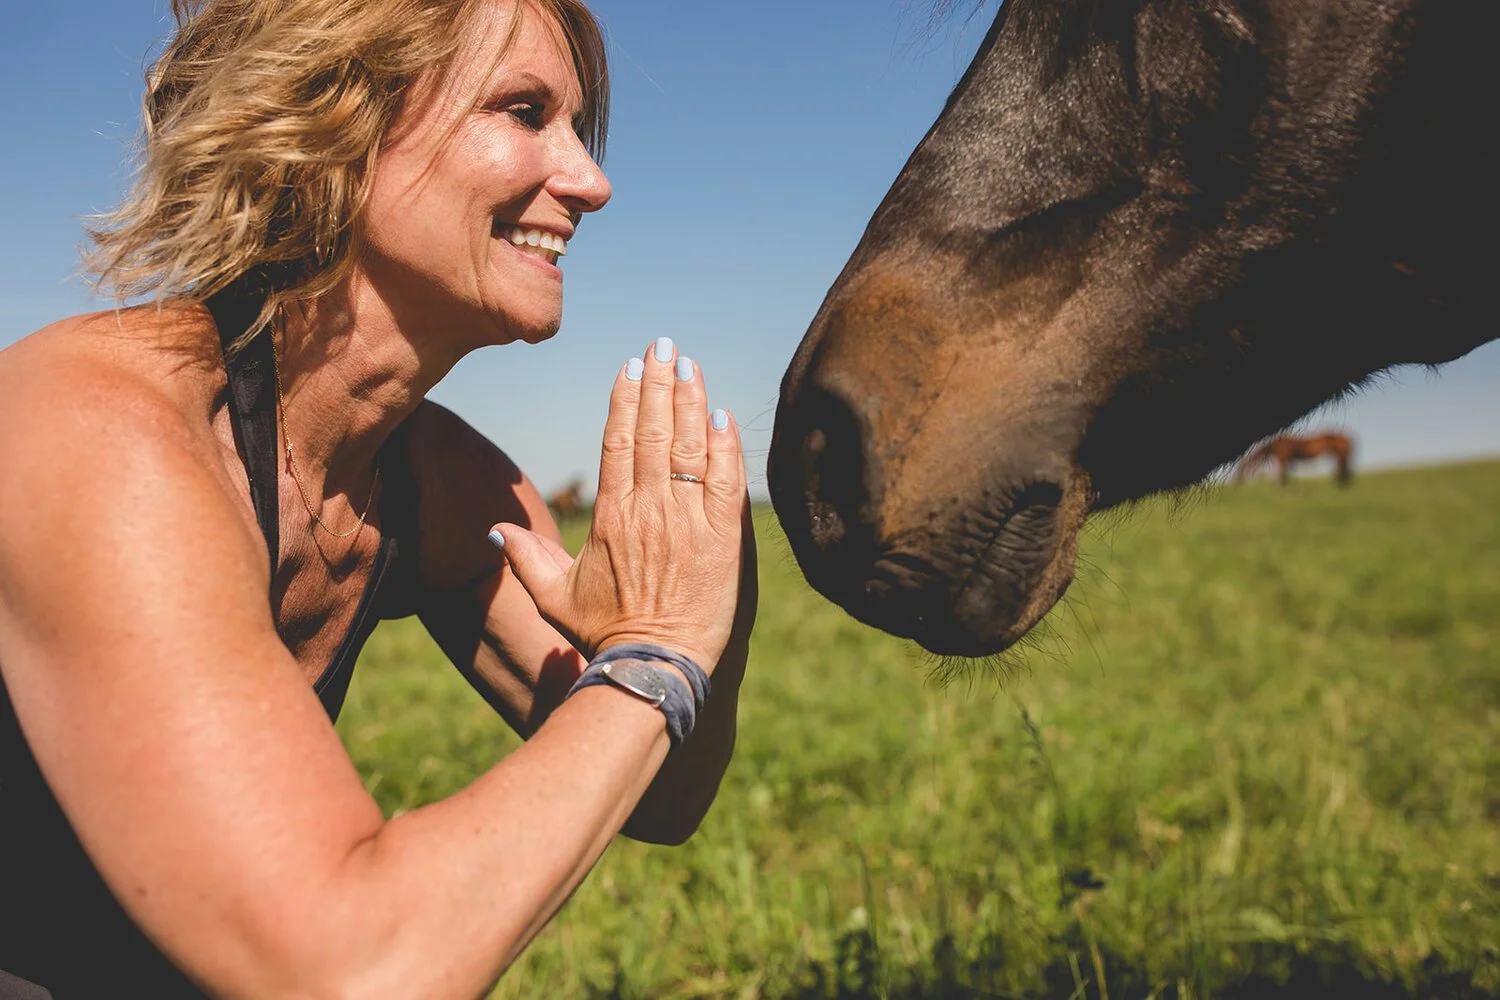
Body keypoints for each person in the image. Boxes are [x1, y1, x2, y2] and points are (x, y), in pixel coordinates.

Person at [0, 0, 756, 996]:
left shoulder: (436, 480)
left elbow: (659, 794)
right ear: (338, 120)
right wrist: (654, 655)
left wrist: (704, 612)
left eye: (578, 128)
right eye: (524, 110)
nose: (591, 181)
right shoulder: (98, 428)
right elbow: (349, 966)